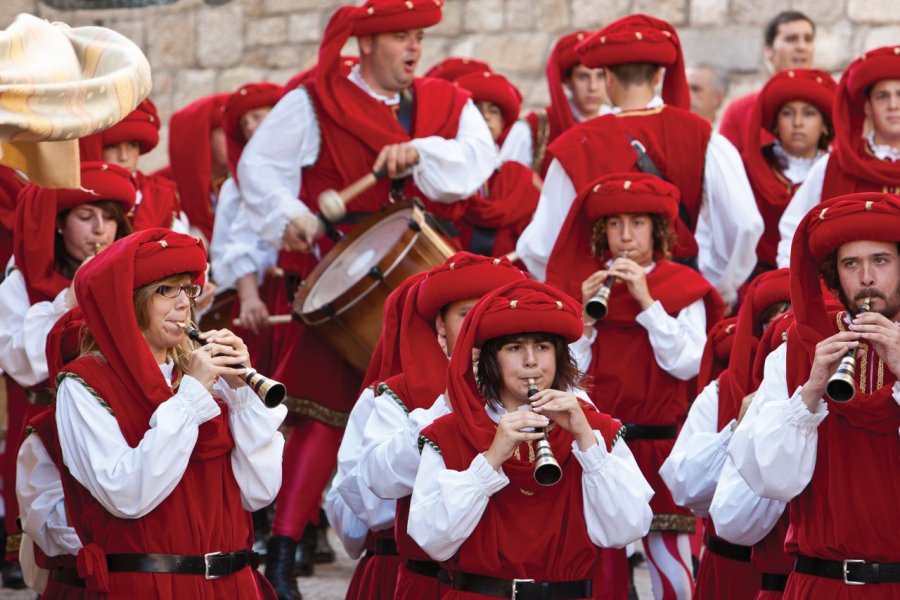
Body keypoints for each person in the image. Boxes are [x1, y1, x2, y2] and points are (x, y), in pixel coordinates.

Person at [236, 3, 498, 595]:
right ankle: (281, 553)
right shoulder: (313, 100)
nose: (413, 48)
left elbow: (476, 165)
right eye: (400, 37)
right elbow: (259, 171)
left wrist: (422, 151)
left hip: (430, 273)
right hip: (347, 272)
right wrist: (291, 218)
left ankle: (447, 537)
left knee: (442, 401)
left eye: (418, 37)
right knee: (322, 415)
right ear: (366, 44)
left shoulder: (446, 102)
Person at [14, 228, 286, 598]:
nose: (184, 304)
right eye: (165, 290)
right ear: (128, 303)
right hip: (151, 587)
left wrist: (242, 396)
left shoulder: (207, 382)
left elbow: (258, 493)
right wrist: (190, 399)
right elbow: (128, 494)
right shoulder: (82, 385)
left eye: (187, 289)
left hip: (232, 586)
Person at [408, 279, 653, 599]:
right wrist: (490, 459)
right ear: (491, 359)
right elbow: (432, 540)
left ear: (559, 355)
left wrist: (586, 441)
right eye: (514, 348)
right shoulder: (448, 433)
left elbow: (627, 529)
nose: (531, 361)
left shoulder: (596, 429)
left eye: (542, 346)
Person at [547, 173, 723, 599]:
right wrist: (583, 323)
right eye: (614, 224)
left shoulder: (683, 287)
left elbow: (689, 365)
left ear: (657, 230)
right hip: (600, 447)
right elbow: (571, 378)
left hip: (660, 444)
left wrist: (647, 302)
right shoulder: (590, 287)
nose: (624, 236)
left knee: (672, 573)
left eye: (637, 224)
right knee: (603, 565)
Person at [516, 14, 762, 309]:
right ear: (657, 76)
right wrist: (714, 285)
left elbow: (539, 247)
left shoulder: (576, 145)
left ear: (607, 77)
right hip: (679, 302)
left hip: (603, 306)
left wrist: (581, 294)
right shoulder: (703, 138)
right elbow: (744, 225)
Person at [729, 192, 900, 597]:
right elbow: (767, 480)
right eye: (851, 264)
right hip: (820, 583)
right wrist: (807, 395)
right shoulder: (795, 351)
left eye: (881, 260)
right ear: (833, 273)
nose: (867, 278)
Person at [354, 253, 527, 598]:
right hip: (429, 583)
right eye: (467, 315)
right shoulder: (398, 395)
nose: (481, 327)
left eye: (492, 312)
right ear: (440, 328)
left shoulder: (545, 386)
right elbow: (374, 484)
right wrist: (444, 408)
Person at [0, 162, 135, 571]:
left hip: (121, 429)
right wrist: (70, 299)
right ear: (59, 224)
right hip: (51, 424)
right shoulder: (20, 282)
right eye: (85, 217)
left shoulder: (133, 278)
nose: (99, 230)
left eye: (109, 218)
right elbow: (18, 362)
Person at [659, 269, 791, 600]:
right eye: (771, 320)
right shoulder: (724, 393)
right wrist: (737, 431)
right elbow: (685, 488)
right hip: (731, 571)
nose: (783, 329)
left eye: (794, 315)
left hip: (806, 577)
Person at [777, 46, 900, 267]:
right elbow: (793, 233)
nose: (893, 105)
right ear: (868, 107)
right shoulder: (833, 166)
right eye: (882, 96)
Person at [742, 69, 835, 274]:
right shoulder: (749, 169)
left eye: (809, 113)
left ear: (825, 126)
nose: (798, 123)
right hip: (755, 278)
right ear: (776, 124)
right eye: (788, 113)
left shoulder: (834, 171)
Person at [452, 70, 541, 258]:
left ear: (502, 123)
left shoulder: (521, 178)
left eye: (493, 110)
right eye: (477, 109)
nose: (485, 117)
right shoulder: (445, 171)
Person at [501, 30, 608, 176]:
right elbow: (508, 181)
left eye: (600, 76)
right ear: (568, 81)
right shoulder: (534, 128)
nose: (593, 87)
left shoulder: (617, 120)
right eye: (583, 77)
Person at [78, 99, 187, 233]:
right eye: (112, 146)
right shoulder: (81, 197)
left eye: (131, 145)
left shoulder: (160, 195)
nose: (123, 156)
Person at [718, 11, 816, 153]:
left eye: (808, 39)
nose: (801, 47)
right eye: (791, 39)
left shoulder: (833, 107)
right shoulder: (740, 111)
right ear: (769, 51)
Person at [157, 93, 230, 245]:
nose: (233, 139)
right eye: (224, 132)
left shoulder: (240, 180)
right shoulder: (161, 186)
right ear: (203, 138)